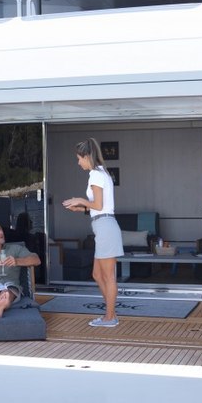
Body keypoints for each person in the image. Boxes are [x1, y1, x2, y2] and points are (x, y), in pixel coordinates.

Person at [62, 138, 122, 328]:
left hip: (105, 228)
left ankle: (110, 317)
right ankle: (110, 313)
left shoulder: (96, 174)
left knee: (108, 276)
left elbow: (98, 205)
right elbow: (97, 208)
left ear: (87, 156)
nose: (78, 162)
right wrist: (80, 209)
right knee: (97, 274)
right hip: (102, 226)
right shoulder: (101, 173)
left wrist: (80, 200)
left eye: (79, 158)